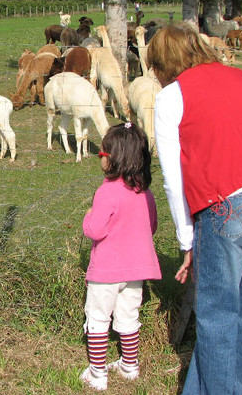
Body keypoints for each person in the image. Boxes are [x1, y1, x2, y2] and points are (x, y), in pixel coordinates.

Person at [148, 23, 242, 394]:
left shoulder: (172, 97)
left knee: (218, 317)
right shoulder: (241, 77)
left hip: (232, 202)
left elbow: (173, 179)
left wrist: (187, 242)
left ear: (163, 64)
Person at [80, 122, 161, 391]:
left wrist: (88, 216)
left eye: (101, 154)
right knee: (128, 316)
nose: (100, 159)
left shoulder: (106, 192)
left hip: (106, 271)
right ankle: (129, 366)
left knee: (98, 319)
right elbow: (151, 227)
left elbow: (95, 230)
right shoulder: (144, 192)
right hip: (136, 270)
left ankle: (97, 373)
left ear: (112, 159)